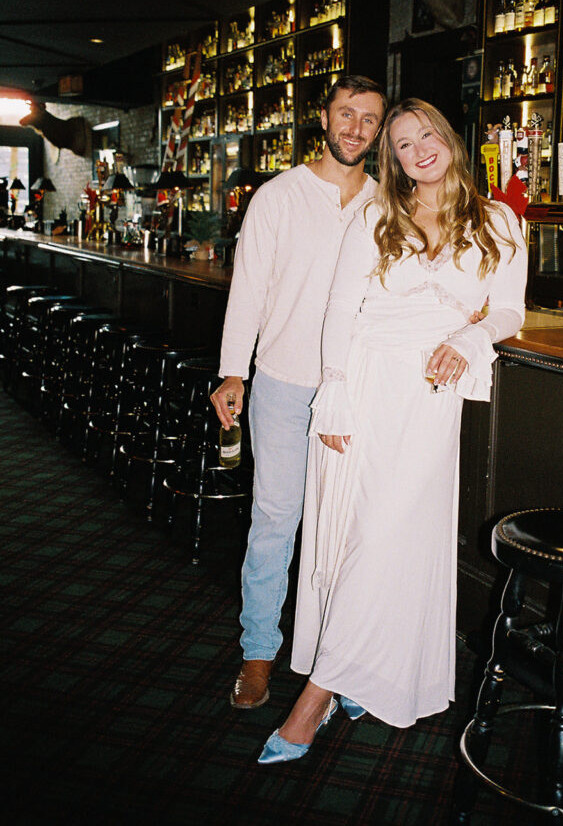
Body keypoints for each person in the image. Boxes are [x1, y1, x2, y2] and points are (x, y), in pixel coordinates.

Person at [258, 97, 527, 764]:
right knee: (352, 536)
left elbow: (512, 310)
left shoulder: (499, 221)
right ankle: (356, 674)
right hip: (362, 384)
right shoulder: (378, 212)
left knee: (386, 538)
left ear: (450, 140)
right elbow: (341, 307)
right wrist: (337, 393)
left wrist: (471, 334)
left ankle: (315, 698)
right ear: (394, 159)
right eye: (403, 144)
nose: (419, 150)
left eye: (427, 135)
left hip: (430, 395)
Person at [211, 74, 387, 711]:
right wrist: (235, 372)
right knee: (276, 523)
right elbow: (249, 289)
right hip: (283, 386)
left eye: (369, 119)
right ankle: (258, 653)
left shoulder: (386, 203)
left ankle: (336, 664)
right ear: (324, 116)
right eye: (347, 114)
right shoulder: (278, 195)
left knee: (342, 532)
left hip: (355, 392)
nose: (356, 129)